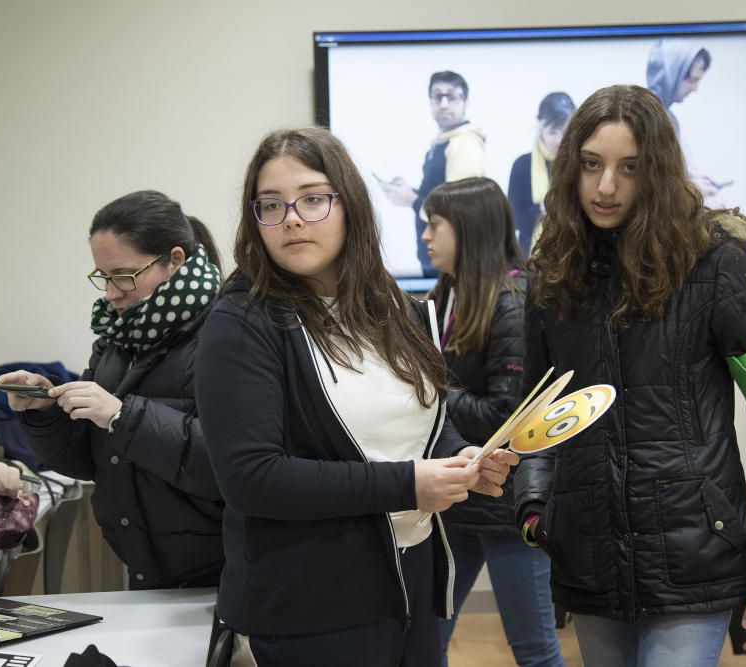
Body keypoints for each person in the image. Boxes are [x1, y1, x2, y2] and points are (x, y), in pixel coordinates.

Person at [514, 85, 746, 666]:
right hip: (590, 559)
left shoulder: (717, 268)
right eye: (591, 165)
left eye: (629, 168)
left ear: (656, 171)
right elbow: (537, 418)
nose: (606, 186)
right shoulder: (553, 278)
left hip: (696, 554)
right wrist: (536, 512)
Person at [195, 127, 518, 667]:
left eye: (313, 199)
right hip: (310, 599)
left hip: (411, 578)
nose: (291, 218)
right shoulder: (242, 322)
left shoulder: (397, 308)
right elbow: (252, 478)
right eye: (270, 206)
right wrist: (409, 483)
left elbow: (425, 422)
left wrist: (460, 457)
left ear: (350, 205)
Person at [0, 190, 226, 590]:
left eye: (124, 276)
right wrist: (44, 410)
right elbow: (89, 460)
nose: (111, 293)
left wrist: (121, 415)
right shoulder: (118, 336)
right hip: (148, 567)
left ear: (175, 261)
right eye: (103, 277)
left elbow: (232, 466)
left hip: (221, 575)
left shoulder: (226, 332)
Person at [421, 177, 564, 667]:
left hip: (507, 499)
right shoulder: (450, 293)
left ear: (468, 229)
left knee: (535, 650)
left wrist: (430, 394)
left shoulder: (511, 301)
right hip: (461, 495)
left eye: (433, 226)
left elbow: (507, 416)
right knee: (425, 640)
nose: (425, 237)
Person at [380, 71, 486, 277]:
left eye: (452, 96)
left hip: (454, 261)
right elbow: (438, 191)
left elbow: (459, 209)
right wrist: (410, 192)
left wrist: (412, 201)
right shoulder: (442, 140)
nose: (444, 104)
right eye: (437, 96)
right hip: (438, 258)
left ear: (465, 103)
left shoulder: (464, 144)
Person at [646, 39, 722, 199]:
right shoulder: (645, 118)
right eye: (692, 80)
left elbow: (668, 172)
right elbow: (647, 185)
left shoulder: (667, 117)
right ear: (671, 74)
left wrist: (692, 179)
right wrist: (690, 189)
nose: (695, 88)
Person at [508, 92, 576, 257]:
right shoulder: (522, 165)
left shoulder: (582, 163)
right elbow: (514, 219)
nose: (560, 140)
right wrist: (541, 210)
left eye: (565, 131)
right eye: (553, 132)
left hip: (574, 253)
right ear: (540, 128)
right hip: (530, 257)